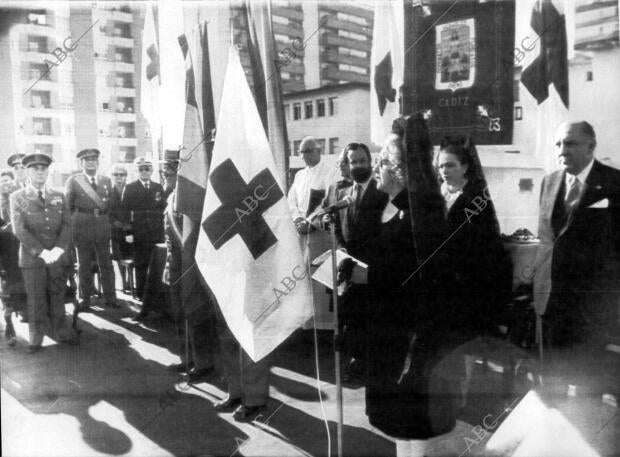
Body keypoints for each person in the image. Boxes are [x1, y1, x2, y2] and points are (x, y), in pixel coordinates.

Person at [343, 131, 456, 457]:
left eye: (382, 162)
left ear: (401, 170)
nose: (376, 168)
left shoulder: (422, 215)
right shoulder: (392, 208)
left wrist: (365, 274)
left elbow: (416, 280)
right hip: (384, 330)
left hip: (405, 337)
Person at [534, 121, 620, 396]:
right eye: (558, 144)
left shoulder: (614, 183)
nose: (562, 150)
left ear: (590, 146)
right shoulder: (548, 183)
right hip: (550, 298)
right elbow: (545, 238)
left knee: (588, 383)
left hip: (590, 304)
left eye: (569, 143)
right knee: (552, 380)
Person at [437, 136, 513, 405]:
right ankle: (449, 389)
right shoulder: (440, 196)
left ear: (465, 167)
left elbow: (485, 247)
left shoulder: (477, 200)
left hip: (470, 282)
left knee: (462, 337)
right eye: (441, 166)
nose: (444, 171)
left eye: (450, 165)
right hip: (445, 279)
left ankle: (465, 394)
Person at [321, 142, 388, 381]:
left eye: (362, 160)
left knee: (372, 320)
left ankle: (369, 366)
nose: (358, 165)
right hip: (347, 264)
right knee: (349, 319)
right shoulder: (340, 192)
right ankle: (355, 362)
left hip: (373, 268)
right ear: (347, 165)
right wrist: (342, 252)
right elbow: (336, 227)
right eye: (353, 161)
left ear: (370, 162)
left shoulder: (383, 191)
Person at [10, 153, 78, 352]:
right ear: (28, 172)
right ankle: (36, 338)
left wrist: (58, 249)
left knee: (57, 294)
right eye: (34, 169)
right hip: (32, 258)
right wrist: (41, 252)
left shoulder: (59, 195)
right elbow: (19, 229)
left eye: (43, 169)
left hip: (57, 256)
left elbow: (67, 224)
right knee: (36, 298)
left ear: (48, 171)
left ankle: (62, 332)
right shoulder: (18, 197)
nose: (40, 173)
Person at [163, 164, 217, 383]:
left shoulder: (195, 201)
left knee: (196, 314)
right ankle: (187, 358)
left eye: (171, 174)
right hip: (176, 265)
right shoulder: (170, 199)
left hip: (193, 266)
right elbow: (169, 237)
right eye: (164, 174)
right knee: (180, 315)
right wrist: (168, 265)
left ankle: (204, 363)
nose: (167, 177)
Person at [287, 136, 338, 329]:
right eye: (301, 152)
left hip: (320, 235)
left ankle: (325, 327)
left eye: (308, 151)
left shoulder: (331, 171)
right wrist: (297, 219)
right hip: (301, 235)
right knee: (303, 281)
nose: (304, 156)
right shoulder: (300, 175)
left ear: (318, 150)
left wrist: (310, 222)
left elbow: (328, 201)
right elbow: (291, 200)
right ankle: (307, 326)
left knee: (320, 281)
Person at [65, 148, 117, 310]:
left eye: (93, 159)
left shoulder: (106, 180)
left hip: (101, 224)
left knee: (106, 264)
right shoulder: (74, 181)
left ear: (98, 162)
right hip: (82, 225)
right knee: (84, 264)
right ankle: (85, 299)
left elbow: (112, 205)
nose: (91, 162)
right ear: (81, 163)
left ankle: (111, 298)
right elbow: (68, 207)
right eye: (87, 160)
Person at [121, 157, 166, 301]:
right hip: (139, 232)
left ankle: (155, 295)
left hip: (156, 232)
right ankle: (141, 294)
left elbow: (163, 209)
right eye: (141, 169)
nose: (144, 172)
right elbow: (125, 212)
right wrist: (128, 232)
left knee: (156, 263)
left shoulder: (158, 187)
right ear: (137, 171)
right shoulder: (130, 188)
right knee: (141, 264)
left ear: (152, 171)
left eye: (147, 169)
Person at [0, 169, 26, 346]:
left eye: (8, 182)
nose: (6, 186)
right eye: (3, 184)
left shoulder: (23, 198)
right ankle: (9, 321)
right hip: (8, 257)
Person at [109, 163, 132, 292]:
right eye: (116, 174)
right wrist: (113, 222)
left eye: (121, 174)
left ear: (126, 176)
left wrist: (130, 224)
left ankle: (130, 281)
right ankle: (123, 282)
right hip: (115, 229)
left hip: (129, 229)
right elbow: (105, 210)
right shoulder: (108, 191)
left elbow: (135, 208)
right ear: (112, 176)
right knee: (118, 257)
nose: (119, 177)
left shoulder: (131, 190)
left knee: (129, 255)